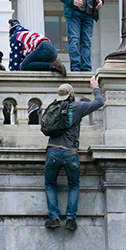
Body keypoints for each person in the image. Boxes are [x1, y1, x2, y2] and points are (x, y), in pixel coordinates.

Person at [44, 77, 104, 231]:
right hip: (70, 152)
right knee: (74, 185)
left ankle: (54, 218)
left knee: (50, 184)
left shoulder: (53, 107)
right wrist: (95, 87)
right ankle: (70, 219)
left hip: (52, 151)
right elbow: (99, 102)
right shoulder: (77, 107)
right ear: (71, 95)